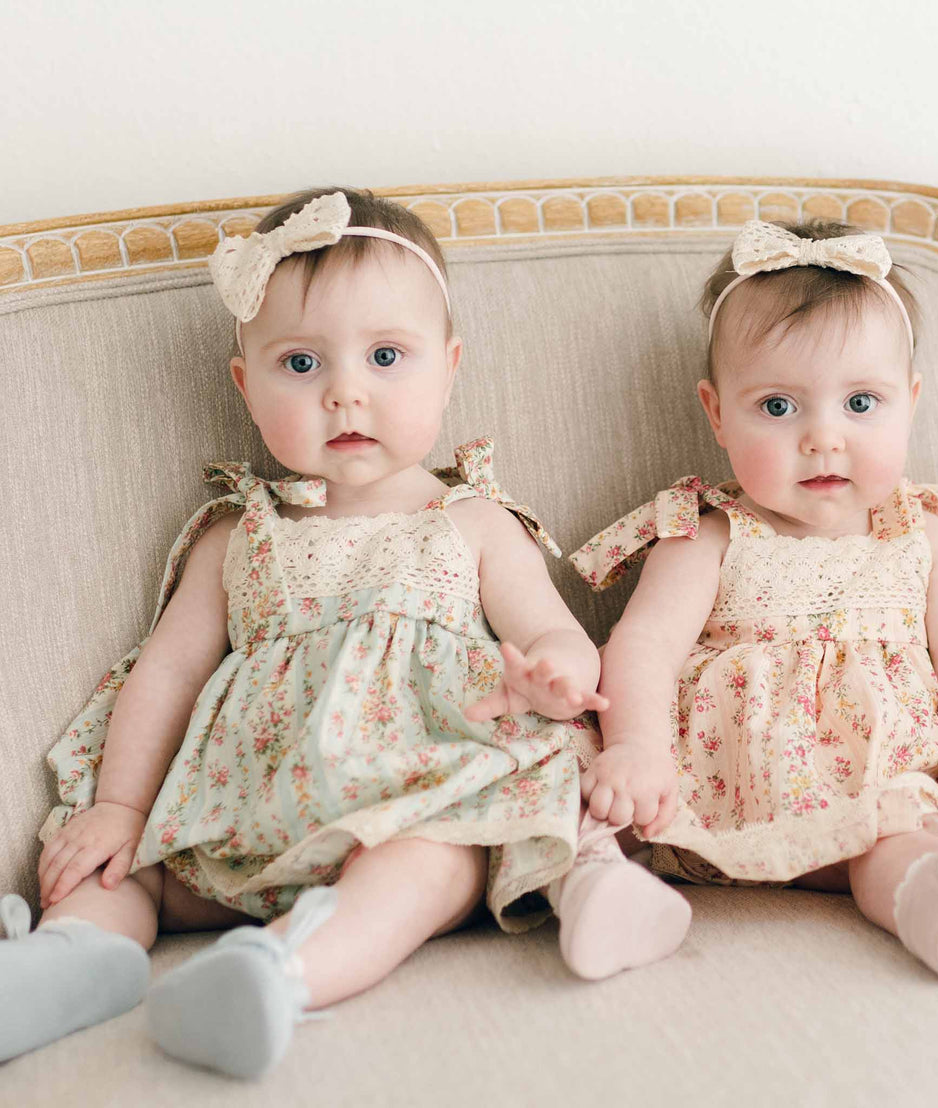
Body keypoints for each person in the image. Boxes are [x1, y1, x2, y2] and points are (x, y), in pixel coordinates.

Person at [0, 187, 683, 1078]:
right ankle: (66, 963)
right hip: (239, 816)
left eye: (387, 356)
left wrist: (551, 677)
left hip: (421, 797)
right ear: (246, 385)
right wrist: (122, 810)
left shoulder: (471, 521)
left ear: (448, 367)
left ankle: (277, 973)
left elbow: (557, 633)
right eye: (300, 364)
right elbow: (163, 678)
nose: (345, 392)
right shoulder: (233, 535)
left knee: (434, 865)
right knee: (117, 869)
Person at [570, 218, 938, 985]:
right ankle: (603, 890)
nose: (824, 437)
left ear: (910, 402)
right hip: (727, 793)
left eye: (861, 403)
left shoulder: (926, 538)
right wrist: (638, 750)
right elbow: (642, 649)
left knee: (897, 836)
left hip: (887, 789)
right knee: (576, 786)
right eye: (780, 408)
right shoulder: (708, 536)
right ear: (717, 412)